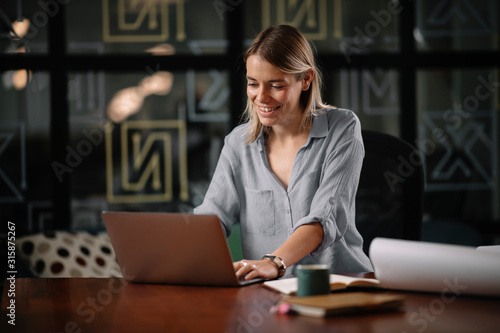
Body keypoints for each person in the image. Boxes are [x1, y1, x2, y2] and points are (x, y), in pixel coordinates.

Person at [194, 24, 373, 280]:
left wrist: (275, 262)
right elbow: (212, 217)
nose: (261, 97)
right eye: (253, 84)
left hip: (339, 286)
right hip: (266, 296)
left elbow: (325, 217)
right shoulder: (237, 143)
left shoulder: (343, 128)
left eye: (276, 85)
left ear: (306, 79)